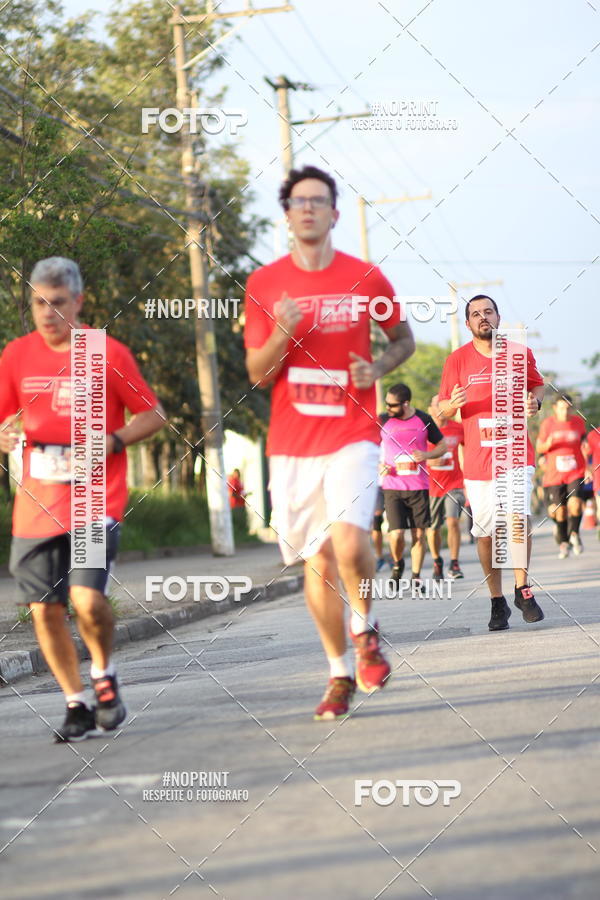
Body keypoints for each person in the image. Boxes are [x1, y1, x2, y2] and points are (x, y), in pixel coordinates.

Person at [244, 165, 415, 720]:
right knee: (316, 561)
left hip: (353, 432)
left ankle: (366, 631)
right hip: (293, 443)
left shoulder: (365, 278)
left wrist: (379, 366)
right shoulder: (265, 284)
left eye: (319, 200)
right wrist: (282, 335)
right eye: (299, 201)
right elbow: (256, 373)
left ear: (335, 213)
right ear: (288, 215)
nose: (309, 209)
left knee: (347, 541)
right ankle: (339, 671)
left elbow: (403, 339)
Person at [0, 257, 165, 742]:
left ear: (79, 301)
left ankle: (104, 674)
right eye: (38, 303)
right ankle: (76, 703)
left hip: (94, 501)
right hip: (35, 505)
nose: (47, 313)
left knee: (87, 600)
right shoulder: (16, 356)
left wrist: (111, 441)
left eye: (58, 303)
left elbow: (152, 413)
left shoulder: (105, 352)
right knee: (43, 610)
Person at [438, 295, 545, 631]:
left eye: (488, 312)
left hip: (515, 453)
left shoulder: (519, 354)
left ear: (498, 316)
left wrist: (535, 402)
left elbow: (537, 385)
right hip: (479, 461)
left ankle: (522, 589)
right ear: (467, 323)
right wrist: (449, 404)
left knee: (517, 517)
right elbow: (441, 407)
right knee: (485, 534)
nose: (482, 317)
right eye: (475, 314)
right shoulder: (456, 360)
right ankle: (497, 600)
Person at [380, 383, 447, 594]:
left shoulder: (423, 420)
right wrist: (378, 465)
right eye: (387, 404)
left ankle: (416, 577)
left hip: (418, 486)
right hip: (392, 486)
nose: (388, 408)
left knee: (419, 534)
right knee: (397, 534)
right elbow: (368, 445)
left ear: (406, 403)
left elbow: (443, 445)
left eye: (392, 405)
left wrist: (426, 455)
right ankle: (398, 564)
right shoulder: (383, 420)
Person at [536, 394, 587, 558]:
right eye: (561, 408)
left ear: (571, 408)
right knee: (559, 511)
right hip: (554, 475)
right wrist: (547, 445)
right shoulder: (547, 424)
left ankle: (574, 535)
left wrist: (588, 467)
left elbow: (584, 445)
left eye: (567, 408)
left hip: (575, 472)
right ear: (555, 408)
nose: (565, 411)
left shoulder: (578, 422)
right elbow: (539, 448)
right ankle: (563, 541)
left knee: (576, 504)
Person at [425, 394, 466, 580]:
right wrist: (431, 459)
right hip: (430, 486)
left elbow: (472, 448)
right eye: (437, 404)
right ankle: (436, 560)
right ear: (430, 409)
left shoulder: (458, 428)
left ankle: (454, 563)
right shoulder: (422, 430)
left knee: (452, 522)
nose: (441, 408)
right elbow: (411, 454)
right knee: (433, 528)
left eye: (444, 404)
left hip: (454, 483)